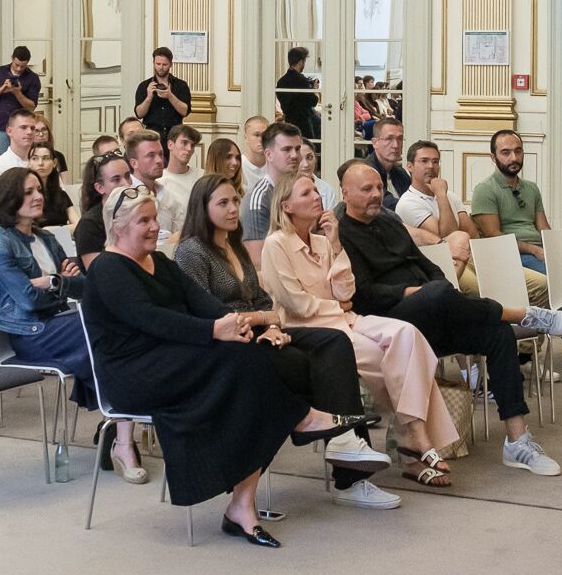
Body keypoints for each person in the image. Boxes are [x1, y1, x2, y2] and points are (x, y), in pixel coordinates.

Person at [82, 187, 377, 547]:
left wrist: (247, 326)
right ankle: (302, 419)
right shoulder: (107, 269)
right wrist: (214, 331)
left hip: (176, 357)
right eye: (144, 221)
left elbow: (206, 305)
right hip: (134, 373)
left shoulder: (160, 262)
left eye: (155, 218)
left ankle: (244, 502)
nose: (155, 227)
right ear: (117, 227)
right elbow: (150, 320)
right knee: (245, 361)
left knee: (271, 359)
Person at [335, 160, 562, 476]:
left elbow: (426, 264)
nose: (377, 194)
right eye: (367, 189)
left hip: (432, 310)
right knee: (437, 293)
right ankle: (523, 314)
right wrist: (420, 292)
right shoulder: (341, 233)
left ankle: (517, 441)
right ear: (345, 193)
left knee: (498, 333)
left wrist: (439, 288)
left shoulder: (389, 220)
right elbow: (364, 294)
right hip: (391, 323)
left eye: (379, 187)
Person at [175, 174, 395, 508]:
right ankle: (347, 471)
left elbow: (264, 302)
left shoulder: (234, 245)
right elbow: (207, 312)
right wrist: (263, 322)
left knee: (334, 343)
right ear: (202, 208)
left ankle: (345, 443)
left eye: (235, 200)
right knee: (305, 364)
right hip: (226, 344)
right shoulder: (192, 251)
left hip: (261, 332)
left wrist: (269, 325)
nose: (234, 209)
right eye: (223, 203)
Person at [259, 171, 459, 490]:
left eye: (316, 191)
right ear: (286, 206)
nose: (317, 197)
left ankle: (413, 437)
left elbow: (346, 292)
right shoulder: (276, 244)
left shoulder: (323, 241)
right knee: (396, 361)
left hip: (346, 320)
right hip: (313, 332)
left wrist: (336, 244)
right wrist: (338, 306)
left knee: (409, 337)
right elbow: (297, 306)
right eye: (306, 193)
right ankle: (414, 445)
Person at [0, 169, 150, 479]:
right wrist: (59, 281)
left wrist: (51, 282)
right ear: (9, 199)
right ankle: (123, 430)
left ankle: (121, 431)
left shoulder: (45, 237)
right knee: (115, 332)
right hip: (32, 333)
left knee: (122, 332)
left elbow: (86, 286)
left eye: (39, 189)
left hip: (60, 320)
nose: (38, 196)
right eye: (29, 192)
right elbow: (29, 301)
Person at [469, 128, 562, 376]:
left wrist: (559, 248)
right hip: (512, 256)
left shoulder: (531, 188)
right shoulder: (485, 190)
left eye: (518, 151)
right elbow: (493, 236)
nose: (513, 158)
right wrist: (534, 249)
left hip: (539, 251)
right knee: (556, 282)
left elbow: (543, 227)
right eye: (506, 152)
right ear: (493, 157)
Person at [392, 138, 483, 297]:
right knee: (488, 288)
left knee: (523, 279)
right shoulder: (408, 202)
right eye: (424, 161)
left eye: (435, 161)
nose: (431, 166)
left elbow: (472, 233)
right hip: (440, 264)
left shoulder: (450, 196)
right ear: (410, 166)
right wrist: (440, 195)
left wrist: (443, 195)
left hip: (468, 256)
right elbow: (448, 239)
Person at [239, 121, 339, 259]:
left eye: (297, 149)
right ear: (269, 155)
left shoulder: (309, 190)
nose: (294, 155)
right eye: (286, 149)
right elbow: (257, 261)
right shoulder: (259, 200)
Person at [72, 150, 133, 267]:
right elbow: (98, 272)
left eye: (127, 176)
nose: (126, 184)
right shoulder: (89, 225)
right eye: (116, 179)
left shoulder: (135, 212)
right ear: (100, 187)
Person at [124, 128, 184, 245]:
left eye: (160, 154)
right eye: (151, 155)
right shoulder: (126, 196)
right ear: (134, 163)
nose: (159, 160)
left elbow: (180, 234)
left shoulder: (168, 194)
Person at [0, 46, 41, 154]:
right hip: (1, 125)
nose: (19, 69)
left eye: (23, 66)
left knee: (23, 157)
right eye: (17, 65)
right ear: (12, 58)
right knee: (2, 157)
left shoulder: (33, 78)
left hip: (23, 127)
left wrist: (17, 92)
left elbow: (31, 107)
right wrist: (1, 89)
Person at [132, 46, 192, 139]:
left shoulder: (181, 85)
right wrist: (149, 98)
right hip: (151, 134)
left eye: (164, 64)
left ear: (170, 64)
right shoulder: (144, 86)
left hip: (175, 134)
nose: (161, 67)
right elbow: (139, 114)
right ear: (153, 63)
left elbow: (185, 111)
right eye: (158, 64)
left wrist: (170, 96)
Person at [274, 48, 321, 151]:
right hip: (304, 122)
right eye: (304, 61)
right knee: (310, 147)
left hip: (289, 120)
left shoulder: (281, 81)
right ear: (300, 62)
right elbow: (313, 101)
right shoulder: (301, 80)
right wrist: (314, 89)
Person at [159, 124, 203, 226]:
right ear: (170, 145)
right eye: (184, 143)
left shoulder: (202, 176)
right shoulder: (160, 182)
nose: (189, 149)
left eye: (192, 145)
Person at [28, 142, 76, 227]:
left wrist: (52, 231)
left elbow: (78, 224)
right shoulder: (24, 195)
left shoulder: (61, 194)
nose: (40, 163)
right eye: (35, 158)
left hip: (62, 235)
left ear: (54, 163)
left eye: (46, 158)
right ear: (29, 163)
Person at [0, 110, 38, 183]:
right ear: (9, 131)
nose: (29, 132)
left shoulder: (41, 162)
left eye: (32, 128)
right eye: (23, 127)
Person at [367, 118, 410, 206]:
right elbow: (386, 204)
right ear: (375, 143)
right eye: (389, 139)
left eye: (400, 139)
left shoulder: (401, 173)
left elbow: (413, 199)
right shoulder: (366, 172)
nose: (396, 145)